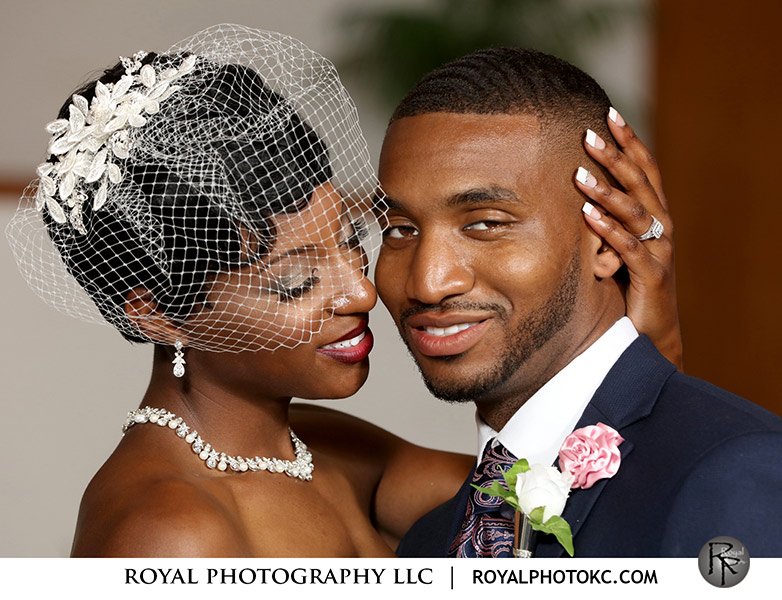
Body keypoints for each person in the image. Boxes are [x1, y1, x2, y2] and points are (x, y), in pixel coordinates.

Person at [6, 26, 678, 557]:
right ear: (156, 314)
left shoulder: (329, 450)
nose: (361, 292)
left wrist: (640, 350)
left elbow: (559, 526)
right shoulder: (169, 532)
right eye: (296, 280)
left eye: (353, 241)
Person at [376, 47, 782, 558]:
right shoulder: (428, 541)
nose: (428, 283)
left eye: (486, 223)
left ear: (607, 242)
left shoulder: (735, 471)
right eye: (400, 229)